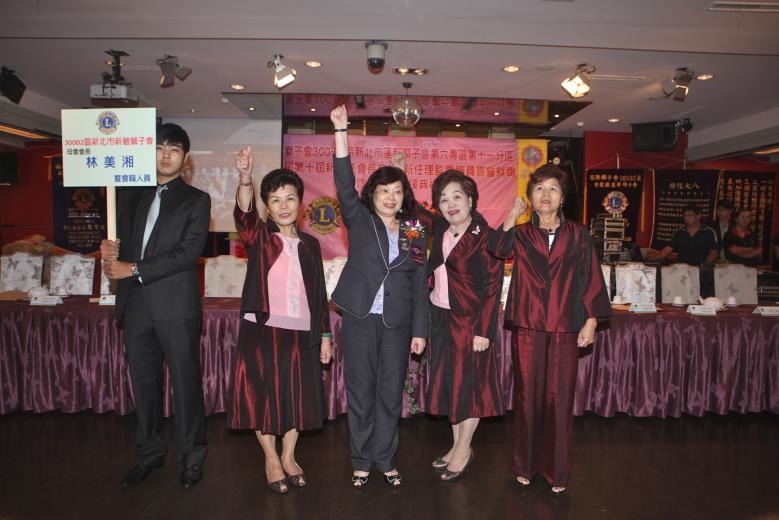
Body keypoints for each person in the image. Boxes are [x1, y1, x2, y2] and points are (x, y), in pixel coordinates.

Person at [101, 123, 210, 488]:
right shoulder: (131, 195)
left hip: (176, 307)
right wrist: (109, 249)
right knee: (144, 385)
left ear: (185, 158)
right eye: (160, 148)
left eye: (174, 149)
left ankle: (192, 457)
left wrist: (133, 268)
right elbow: (123, 244)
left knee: (185, 384)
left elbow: (186, 254)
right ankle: (149, 454)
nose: (166, 155)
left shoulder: (196, 200)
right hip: (135, 305)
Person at [490, 163, 611, 493]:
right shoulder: (522, 233)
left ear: (562, 198)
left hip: (565, 326)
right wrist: (513, 213)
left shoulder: (578, 234)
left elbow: (591, 277)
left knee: (559, 400)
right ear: (530, 196)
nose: (546, 194)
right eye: (539, 188)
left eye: (553, 189)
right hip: (528, 326)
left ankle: (557, 471)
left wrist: (591, 321)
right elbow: (497, 248)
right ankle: (525, 465)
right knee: (528, 398)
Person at [330, 105, 428, 488]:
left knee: (389, 394)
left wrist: (419, 330)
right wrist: (341, 132)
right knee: (360, 393)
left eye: (397, 191)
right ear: (372, 194)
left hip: (397, 325)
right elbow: (344, 185)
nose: (390, 196)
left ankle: (385, 459)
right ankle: (360, 460)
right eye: (384, 190)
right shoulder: (360, 219)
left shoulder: (414, 230)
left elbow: (418, 282)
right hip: (359, 319)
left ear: (405, 196)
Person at [228, 146, 333, 494]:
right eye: (275, 200)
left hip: (302, 331)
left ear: (300, 202)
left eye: (290, 198)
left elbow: (319, 295)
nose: (284, 205)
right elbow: (244, 216)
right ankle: (271, 458)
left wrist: (325, 335)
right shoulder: (260, 237)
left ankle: (289, 455)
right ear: (267, 206)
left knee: (296, 397)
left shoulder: (311, 245)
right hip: (263, 330)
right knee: (264, 397)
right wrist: (246, 179)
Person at [419, 169, 506, 481]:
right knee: (452, 386)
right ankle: (457, 446)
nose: (450, 204)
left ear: (470, 200)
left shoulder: (486, 236)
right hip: (441, 317)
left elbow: (493, 287)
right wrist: (401, 172)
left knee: (470, 389)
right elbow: (414, 212)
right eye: (443, 199)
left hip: (470, 322)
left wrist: (484, 330)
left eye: (457, 196)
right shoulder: (442, 227)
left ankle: (463, 450)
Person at [649, 205, 719, 268]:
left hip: (701, 268)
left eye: (690, 215)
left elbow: (714, 252)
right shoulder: (679, 232)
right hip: (682, 268)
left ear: (698, 216)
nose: (687, 218)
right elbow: (668, 249)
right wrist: (656, 257)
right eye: (685, 216)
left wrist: (705, 265)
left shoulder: (709, 232)